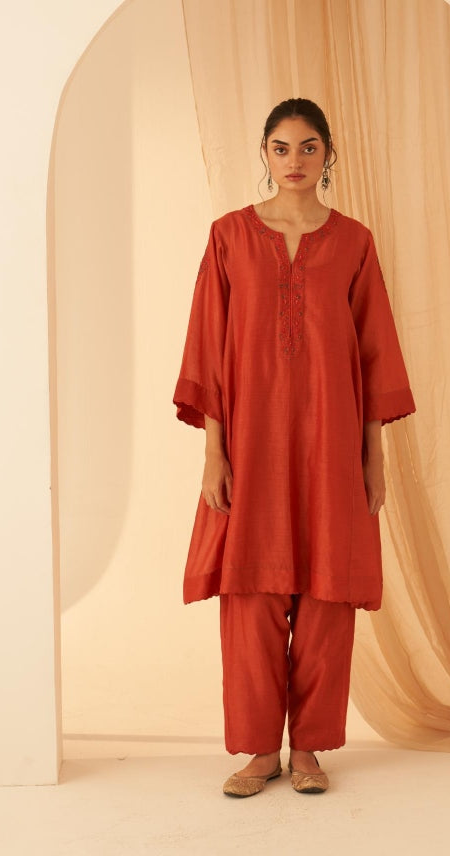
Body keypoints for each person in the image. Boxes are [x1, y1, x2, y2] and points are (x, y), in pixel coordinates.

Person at [172, 98, 416, 797]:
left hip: (331, 441)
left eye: (309, 147)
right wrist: (214, 453)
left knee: (327, 591)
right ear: (265, 154)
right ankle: (258, 751)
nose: (295, 160)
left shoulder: (353, 243)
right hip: (251, 443)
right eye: (281, 148)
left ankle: (308, 749)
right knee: (250, 588)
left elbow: (374, 353)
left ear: (328, 154)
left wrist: (373, 456)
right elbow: (209, 347)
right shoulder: (229, 237)